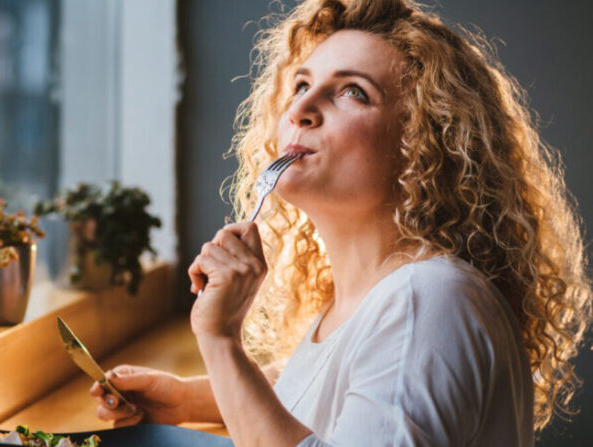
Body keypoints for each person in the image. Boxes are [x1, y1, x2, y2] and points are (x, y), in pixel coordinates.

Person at [89, 0, 592, 445]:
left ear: (423, 144)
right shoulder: (375, 296)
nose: (302, 109)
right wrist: (185, 400)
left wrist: (221, 344)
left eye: (352, 92)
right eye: (302, 85)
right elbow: (322, 391)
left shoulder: (428, 301)